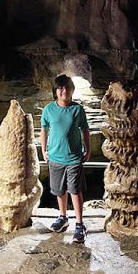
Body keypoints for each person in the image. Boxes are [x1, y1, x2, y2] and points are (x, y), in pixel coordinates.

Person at [40, 74, 91, 243]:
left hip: (73, 157)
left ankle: (79, 224)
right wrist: (44, 151)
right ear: (55, 91)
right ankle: (63, 217)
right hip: (55, 156)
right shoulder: (48, 109)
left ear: (72, 90)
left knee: (75, 190)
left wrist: (88, 149)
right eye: (60, 88)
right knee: (59, 190)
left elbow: (85, 129)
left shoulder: (77, 109)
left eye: (67, 87)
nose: (64, 90)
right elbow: (44, 130)